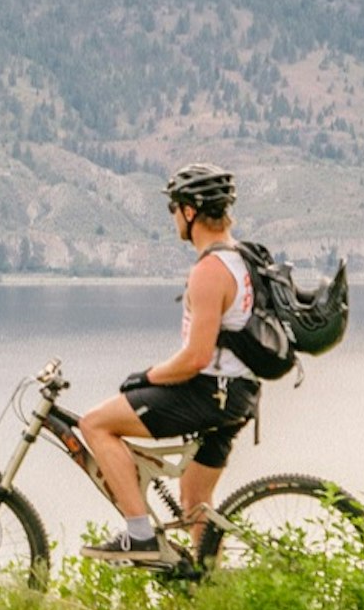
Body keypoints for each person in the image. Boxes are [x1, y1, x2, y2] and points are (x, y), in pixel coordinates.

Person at [74, 163, 261, 567]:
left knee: (94, 424)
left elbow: (195, 358)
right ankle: (210, 589)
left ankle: (139, 534)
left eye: (174, 209)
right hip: (239, 394)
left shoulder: (210, 271)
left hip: (211, 393)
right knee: (195, 502)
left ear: (190, 211)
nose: (173, 218)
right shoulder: (240, 258)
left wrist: (147, 376)